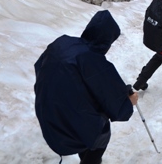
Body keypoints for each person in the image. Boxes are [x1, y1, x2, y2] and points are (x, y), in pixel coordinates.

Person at [34, 10, 138, 164]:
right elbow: (117, 108)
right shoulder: (94, 61)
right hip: (74, 123)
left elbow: (40, 66)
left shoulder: (62, 43)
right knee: (99, 139)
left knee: (86, 124)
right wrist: (130, 101)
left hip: (49, 113)